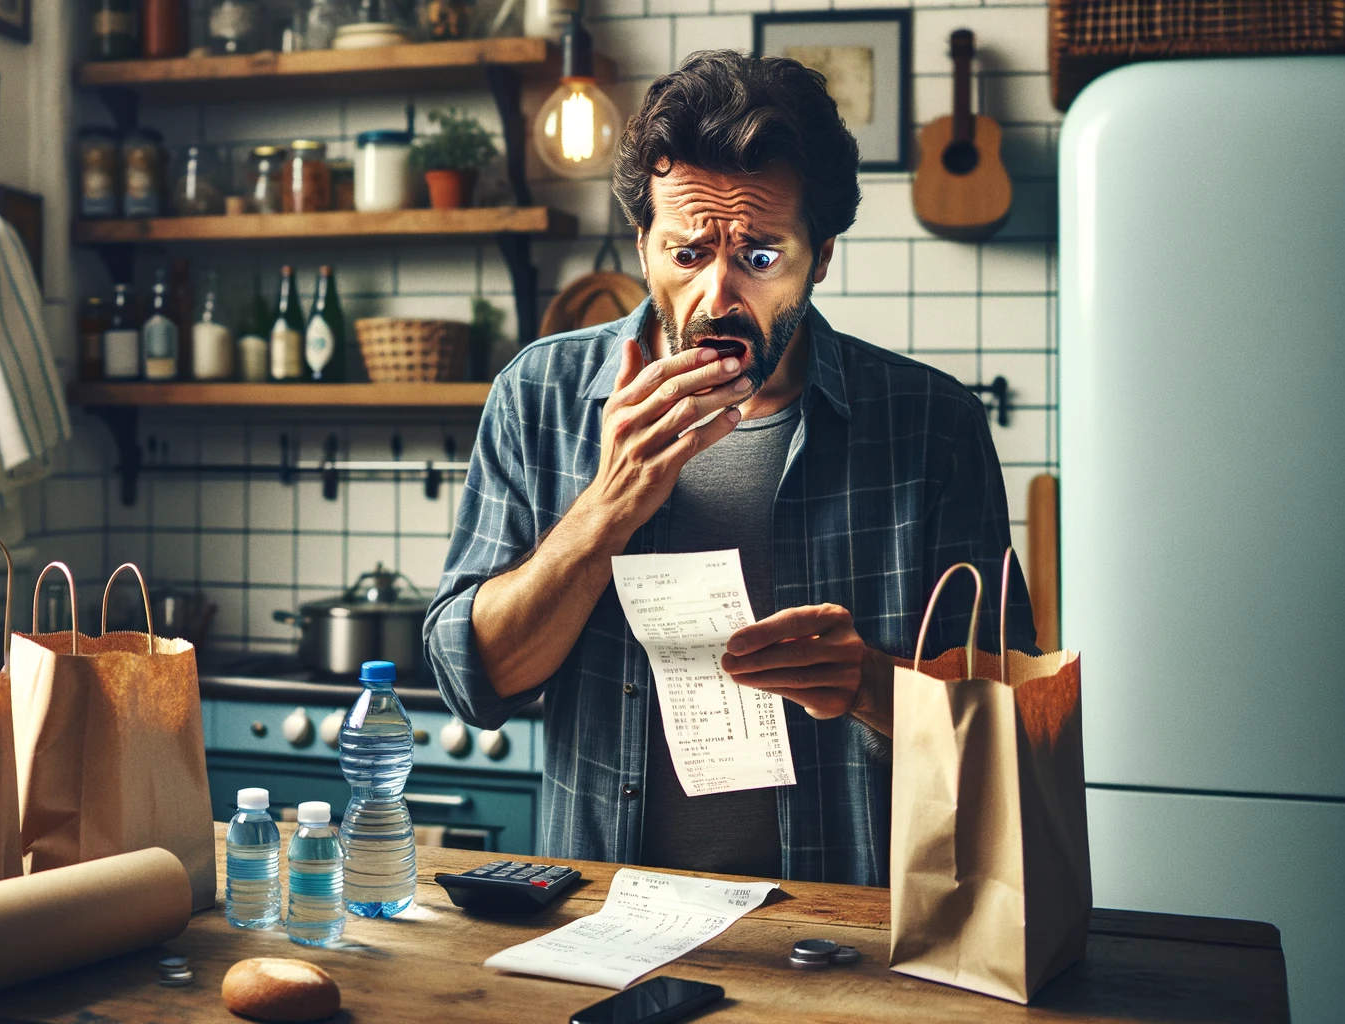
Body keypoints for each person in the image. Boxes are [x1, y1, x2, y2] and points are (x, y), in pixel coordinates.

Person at [423, 50, 1036, 886]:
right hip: (603, 922)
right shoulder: (539, 395)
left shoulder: (932, 425)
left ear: (820, 258)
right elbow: (474, 684)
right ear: (642, 245)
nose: (716, 297)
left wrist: (866, 682)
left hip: (841, 932)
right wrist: (607, 508)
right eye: (686, 254)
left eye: (759, 257)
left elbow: (1010, 727)